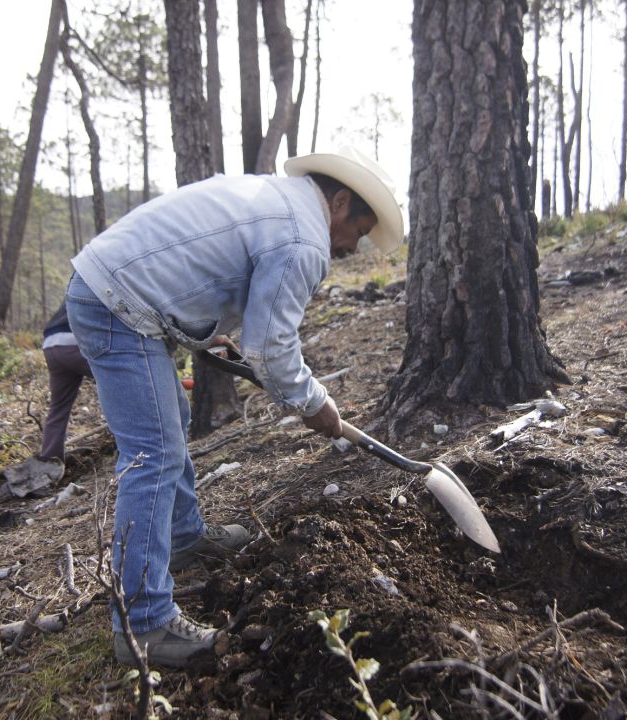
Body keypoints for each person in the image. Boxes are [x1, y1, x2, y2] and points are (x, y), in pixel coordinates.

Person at [65, 146, 403, 668]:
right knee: (152, 453)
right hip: (116, 301)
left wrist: (204, 327)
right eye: (357, 233)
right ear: (339, 202)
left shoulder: (279, 199)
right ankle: (144, 624)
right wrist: (314, 404)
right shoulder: (303, 237)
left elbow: (207, 263)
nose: (351, 249)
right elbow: (272, 349)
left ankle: (182, 537)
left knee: (168, 427)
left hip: (114, 288)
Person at [39, 303, 93, 461]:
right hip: (74, 341)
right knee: (121, 383)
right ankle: (131, 447)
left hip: (50, 344)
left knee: (58, 408)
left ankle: (48, 461)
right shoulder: (103, 282)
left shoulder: (78, 285)